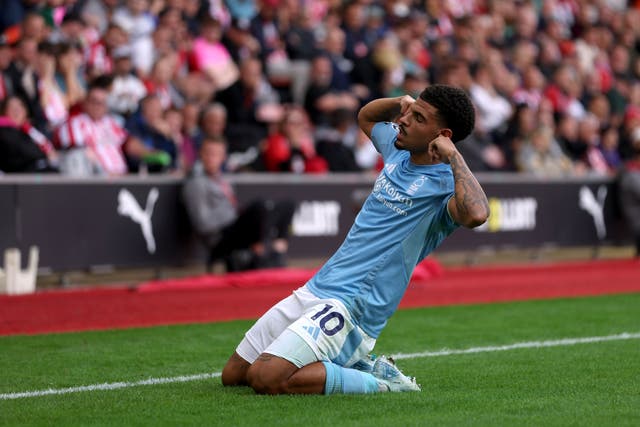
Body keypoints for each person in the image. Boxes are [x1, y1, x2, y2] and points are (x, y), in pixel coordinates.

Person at [221, 84, 489, 395]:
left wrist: (455, 157)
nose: (403, 120)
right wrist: (399, 102)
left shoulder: (444, 188)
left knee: (265, 378)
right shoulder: (397, 149)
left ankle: (380, 383)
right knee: (235, 375)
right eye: (409, 112)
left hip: (354, 307)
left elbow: (477, 214)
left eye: (417, 117)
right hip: (319, 287)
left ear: (443, 135)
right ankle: (352, 363)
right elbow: (366, 117)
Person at [182, 136, 295, 272]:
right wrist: (233, 218)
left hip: (233, 229)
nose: (211, 158)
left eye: (216, 154)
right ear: (201, 154)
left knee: (287, 205)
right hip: (219, 238)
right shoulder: (196, 183)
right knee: (258, 207)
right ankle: (260, 256)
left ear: (223, 157)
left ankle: (278, 253)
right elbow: (202, 224)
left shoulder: (222, 180)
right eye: (208, 153)